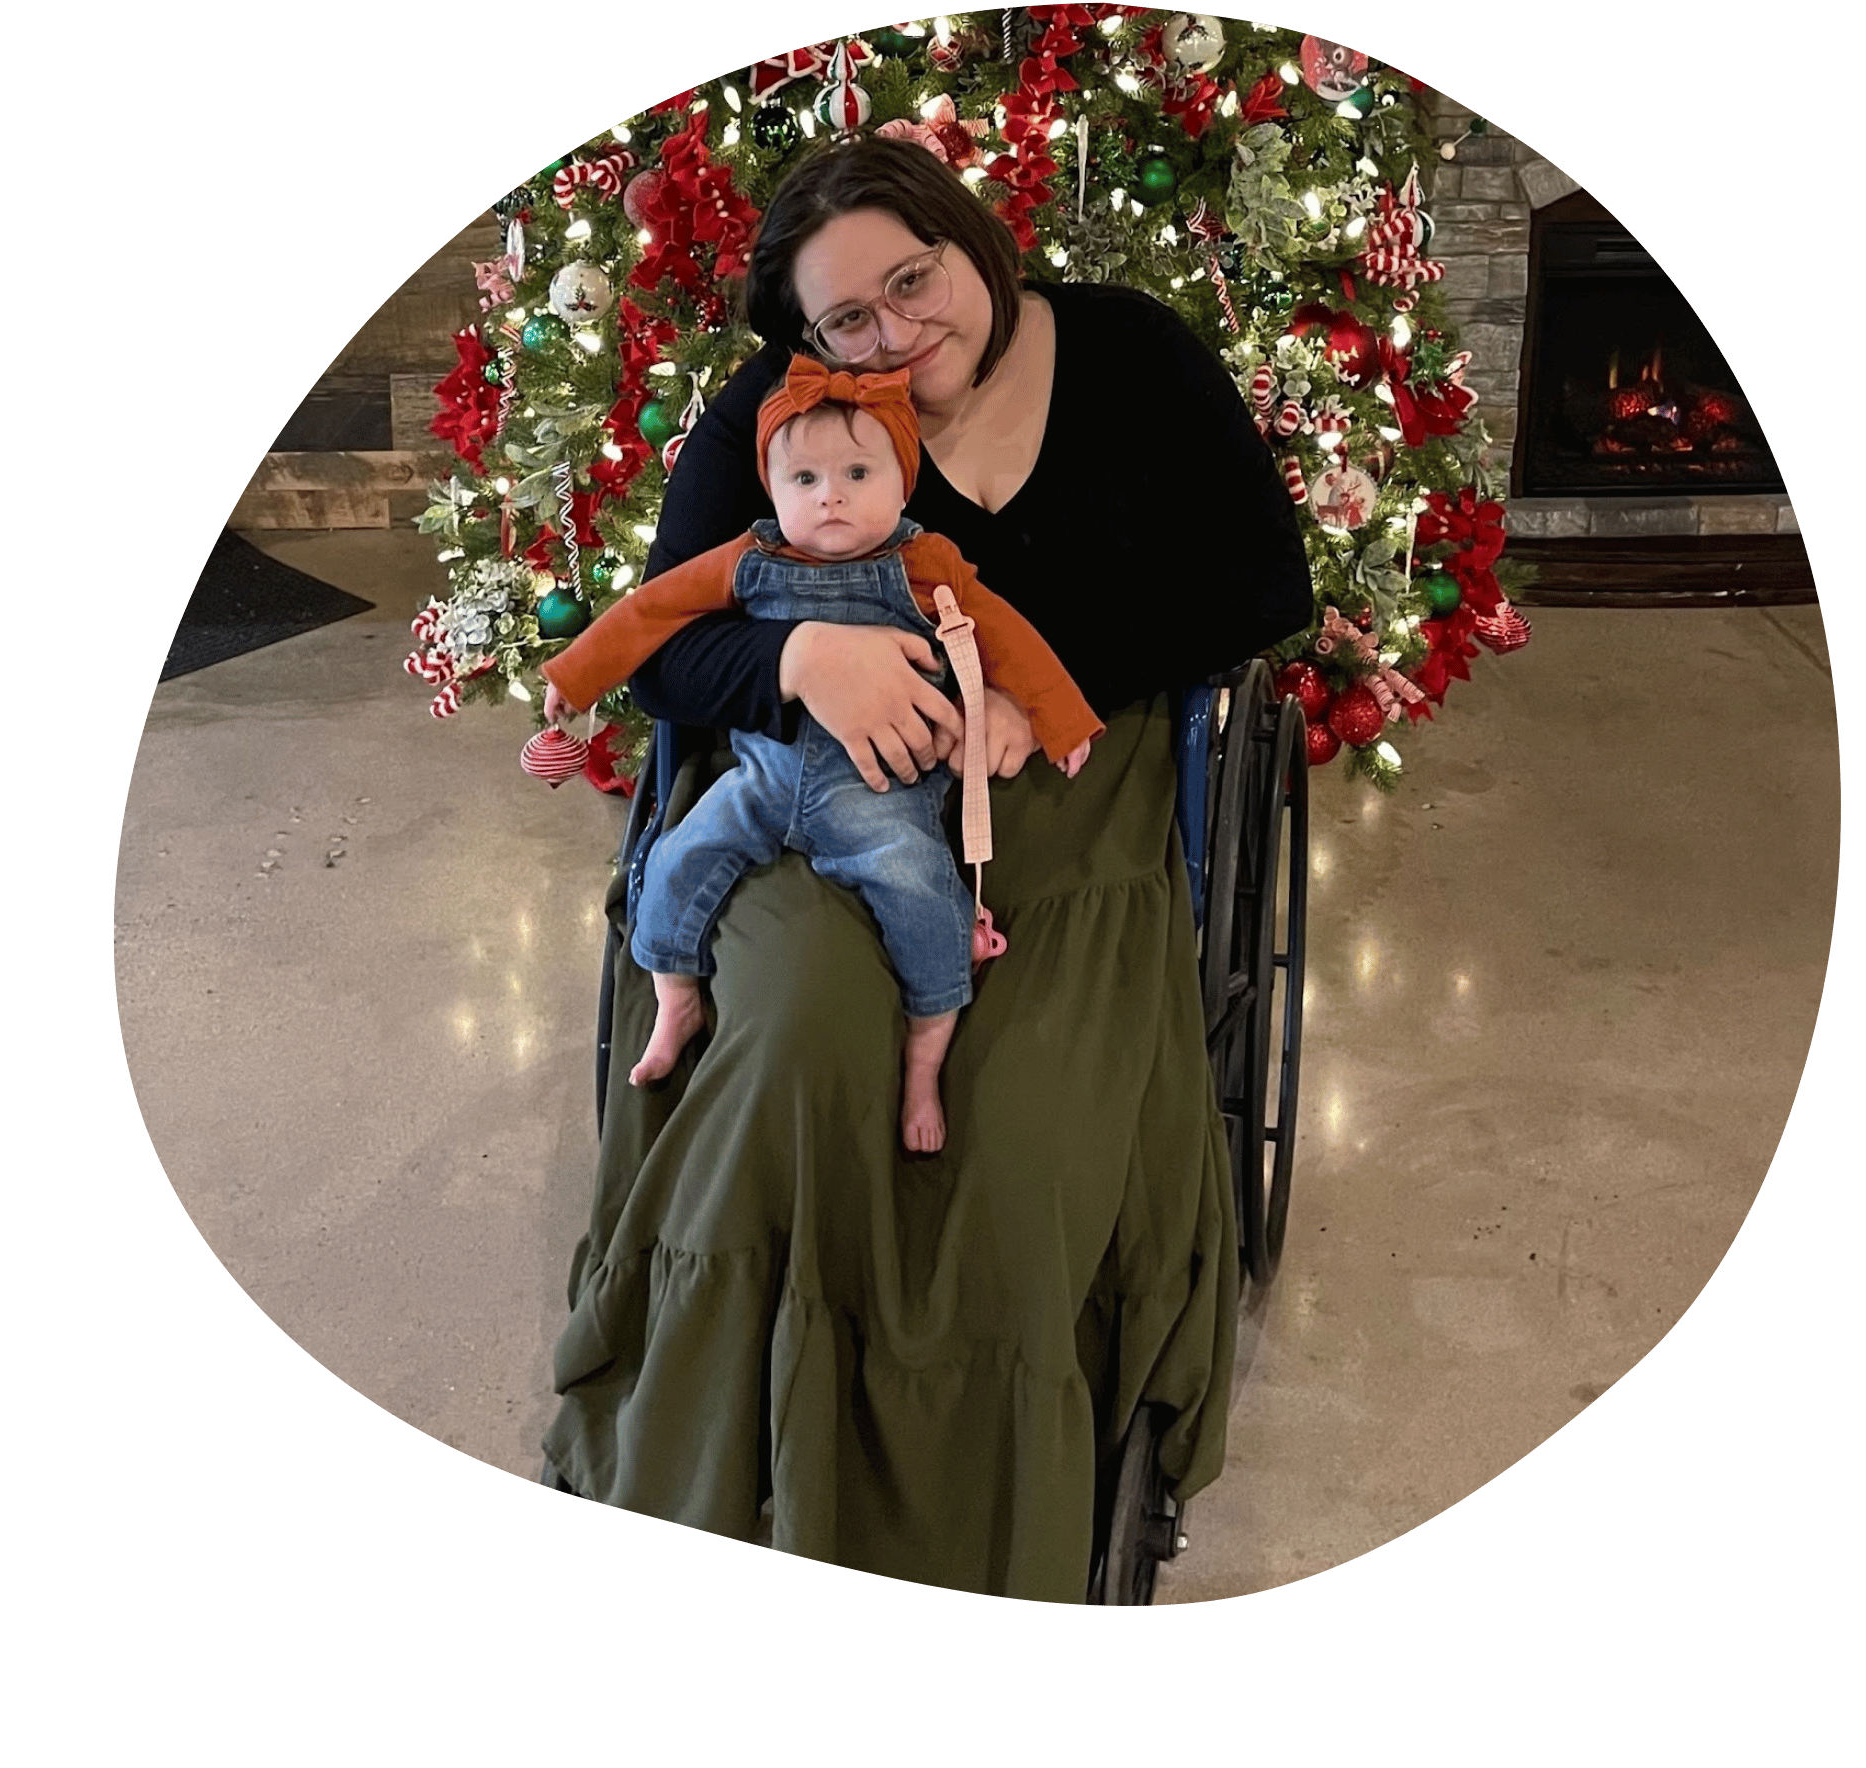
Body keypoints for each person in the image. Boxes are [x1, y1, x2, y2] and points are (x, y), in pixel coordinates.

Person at [541, 134, 1314, 1601]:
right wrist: (802, 655)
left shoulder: (1137, 359)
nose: (899, 333)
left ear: (972, 241)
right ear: (811, 339)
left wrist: (1050, 680)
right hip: (813, 786)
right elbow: (663, 641)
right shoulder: (782, 417)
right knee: (788, 1052)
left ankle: (965, 1528)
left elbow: (1264, 580)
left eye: (916, 278)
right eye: (851, 320)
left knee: (1019, 1140)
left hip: (1072, 789)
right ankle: (717, 1464)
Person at [538, 357, 1101, 1153]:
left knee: (926, 898)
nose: (828, 494)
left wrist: (1063, 718)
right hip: (762, 781)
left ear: (902, 485)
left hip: (881, 795)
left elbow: (1008, 638)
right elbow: (649, 612)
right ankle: (675, 997)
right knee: (675, 861)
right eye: (802, 478)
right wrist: (577, 674)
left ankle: (922, 1063)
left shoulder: (924, 563)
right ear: (772, 490)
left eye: (856, 473)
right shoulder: (748, 557)